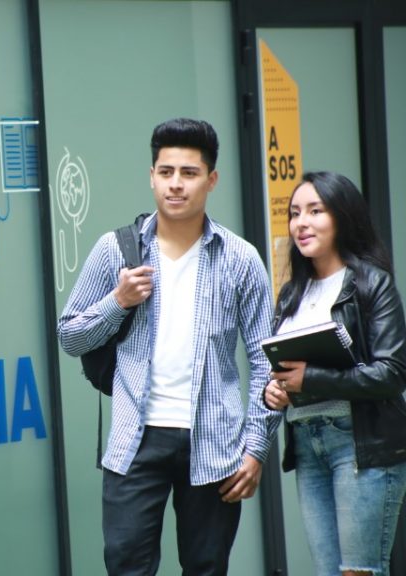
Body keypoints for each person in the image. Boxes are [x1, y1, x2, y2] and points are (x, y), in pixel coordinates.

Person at [57, 117, 281, 576]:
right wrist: (118, 302)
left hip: (214, 442)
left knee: (206, 566)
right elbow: (69, 337)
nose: (175, 184)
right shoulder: (115, 250)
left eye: (189, 173)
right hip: (134, 440)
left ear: (211, 180)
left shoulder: (239, 258)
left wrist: (256, 448)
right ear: (152, 176)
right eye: (166, 172)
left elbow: (267, 362)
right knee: (126, 565)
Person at [264, 171, 406, 576]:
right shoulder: (292, 294)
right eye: (295, 213)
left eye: (315, 211)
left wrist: (311, 379)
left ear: (342, 216)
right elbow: (281, 370)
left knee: (359, 572)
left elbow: (392, 373)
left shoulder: (371, 284)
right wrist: (273, 392)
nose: (301, 223)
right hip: (307, 445)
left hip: (361, 443)